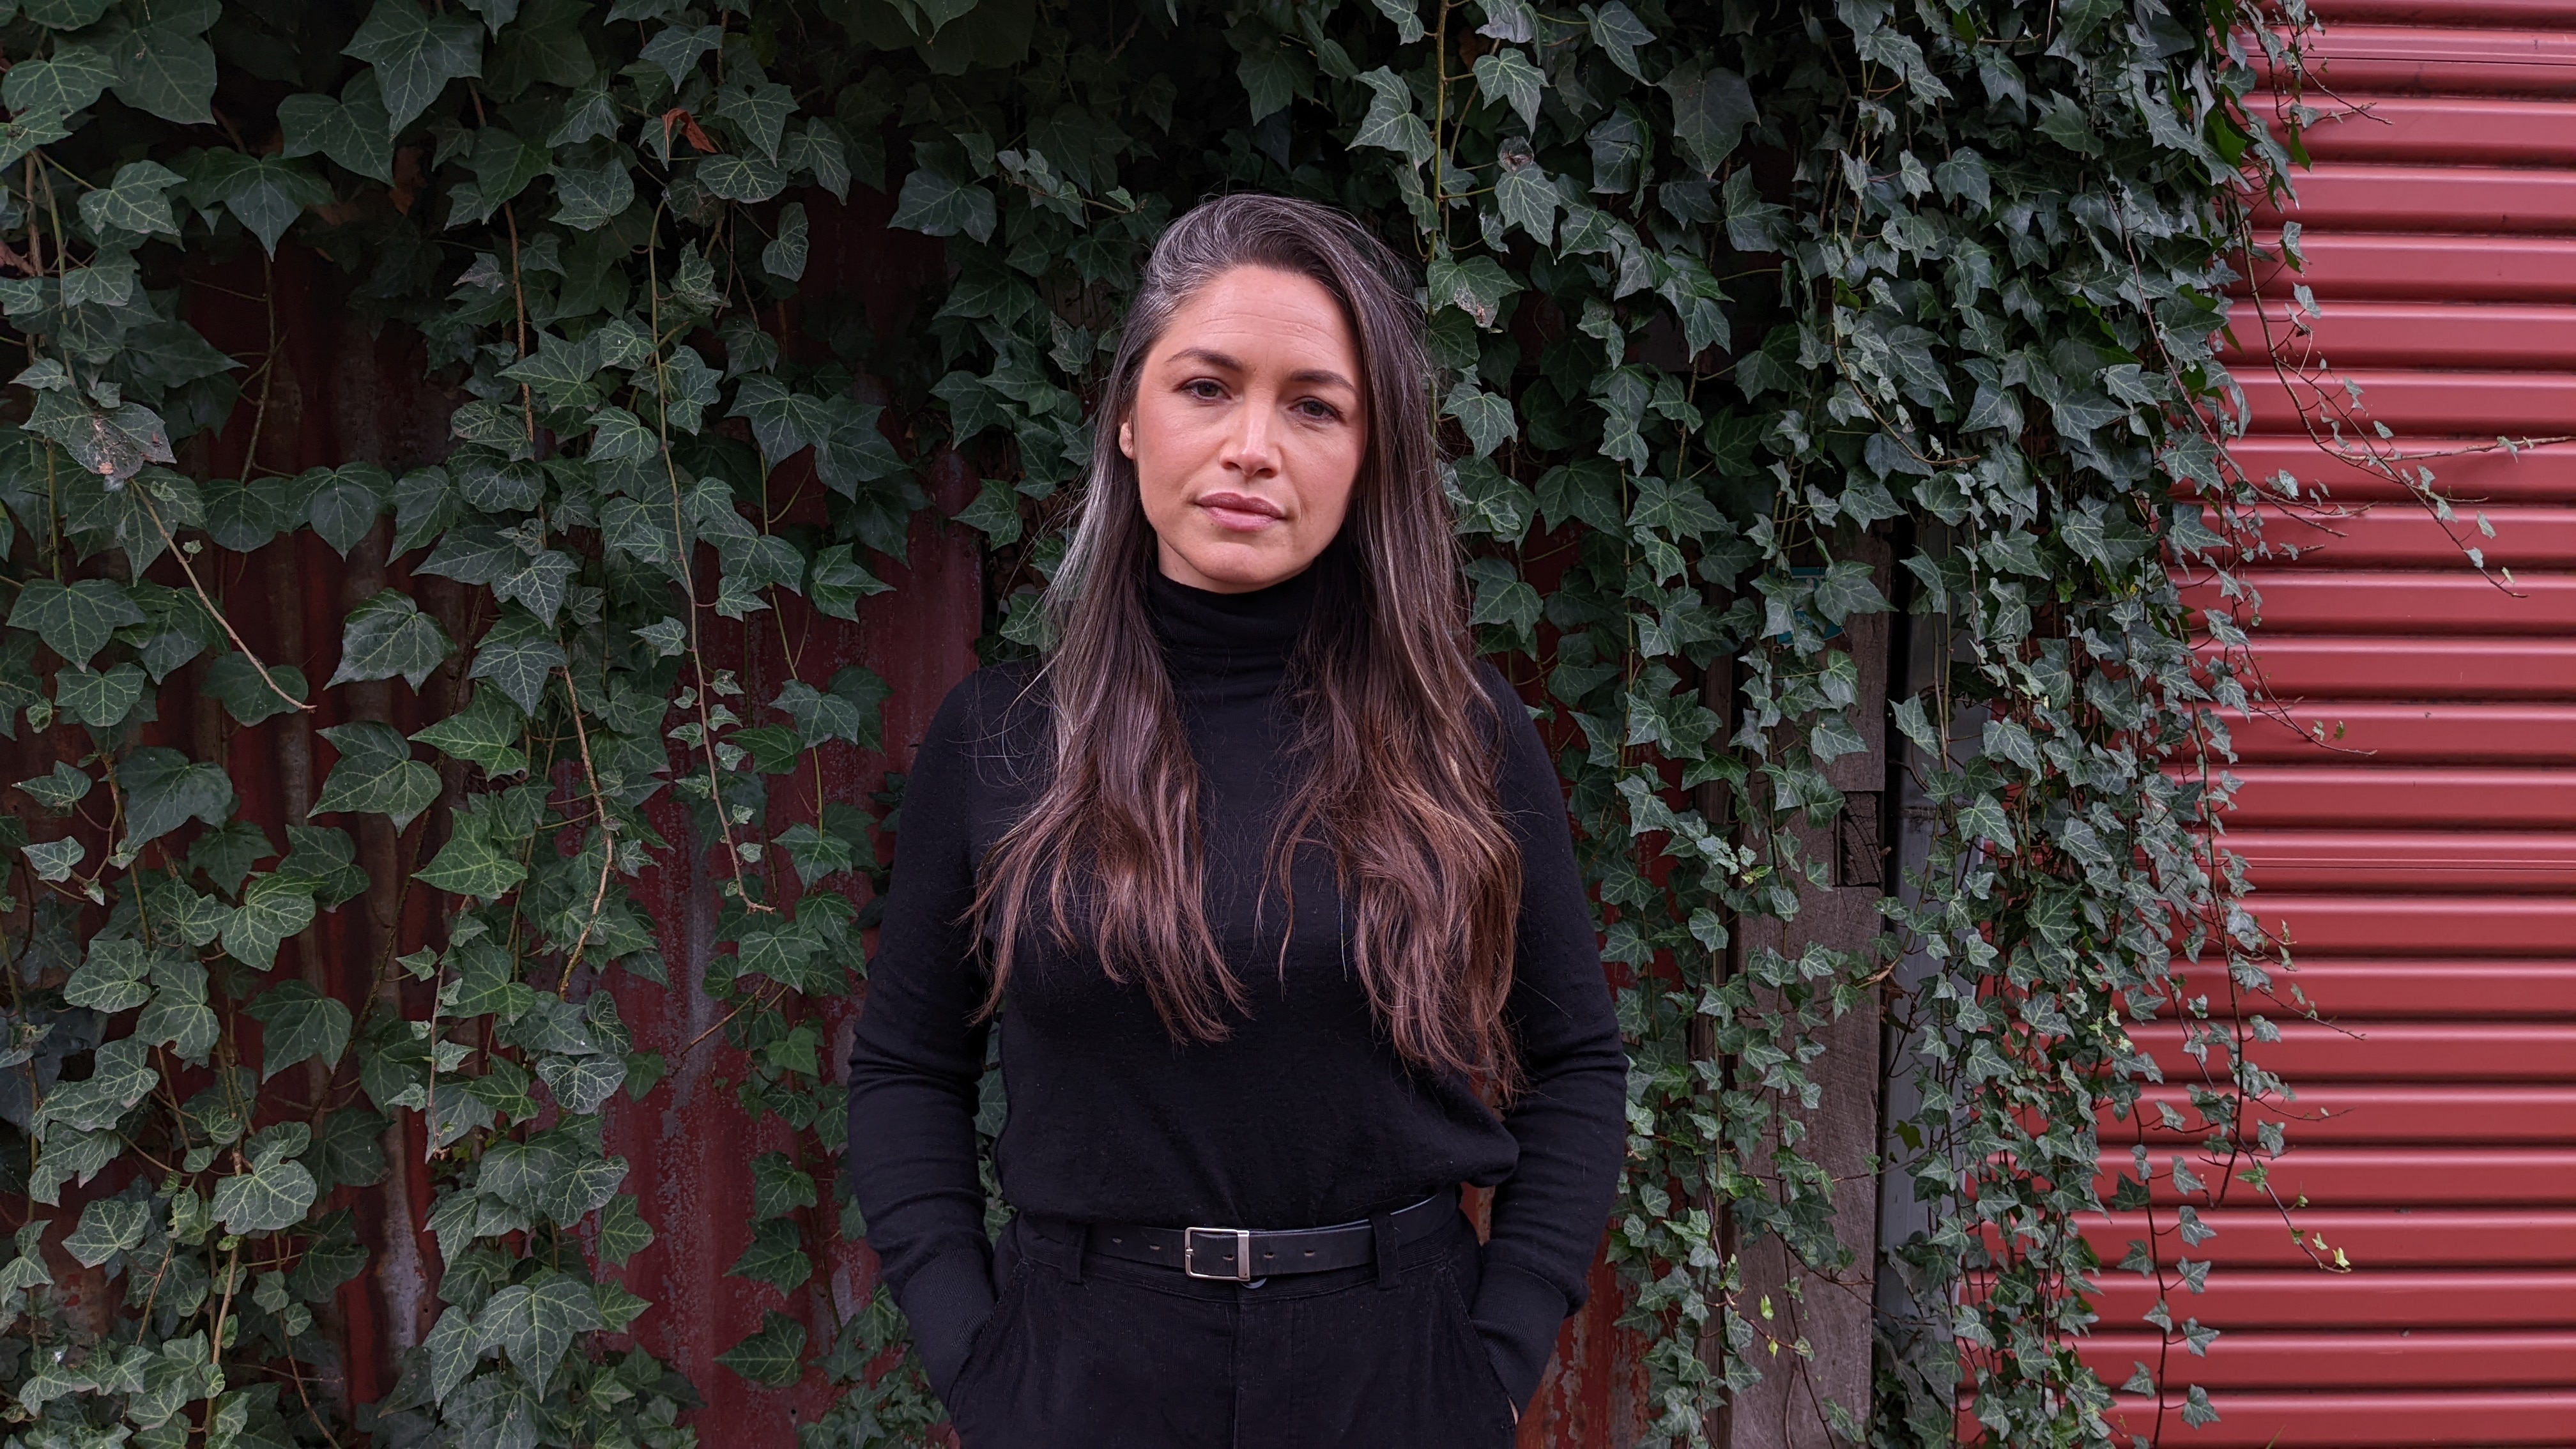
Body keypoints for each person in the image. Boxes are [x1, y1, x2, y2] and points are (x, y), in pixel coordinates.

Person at [841, 191, 1628, 1448]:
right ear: (1128, 419)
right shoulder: (1004, 737)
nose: (1252, 447)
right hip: (1080, 1377)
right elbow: (906, 1069)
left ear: (1369, 456)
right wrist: (975, 1363)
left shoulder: (1460, 733)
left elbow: (1576, 1062)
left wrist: (1491, 1368)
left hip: (1397, 1375)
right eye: (1207, 388)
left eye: (1314, 406)